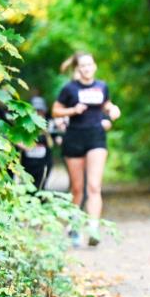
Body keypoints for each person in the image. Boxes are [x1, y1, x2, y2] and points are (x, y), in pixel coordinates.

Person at [52, 51, 121, 247]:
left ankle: (93, 228)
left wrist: (112, 111)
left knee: (94, 186)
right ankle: (74, 226)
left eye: (90, 65)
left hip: (96, 138)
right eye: (83, 66)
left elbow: (106, 105)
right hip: (74, 138)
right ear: (78, 69)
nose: (87, 69)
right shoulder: (69, 89)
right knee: (77, 189)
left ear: (95, 66)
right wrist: (73, 110)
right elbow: (56, 110)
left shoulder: (102, 86)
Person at [18, 95, 53, 192]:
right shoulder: (23, 124)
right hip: (27, 161)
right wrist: (23, 145)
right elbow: (14, 139)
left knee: (41, 186)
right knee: (27, 187)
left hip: (44, 161)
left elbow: (52, 142)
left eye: (40, 111)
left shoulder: (48, 124)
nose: (38, 114)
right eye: (35, 111)